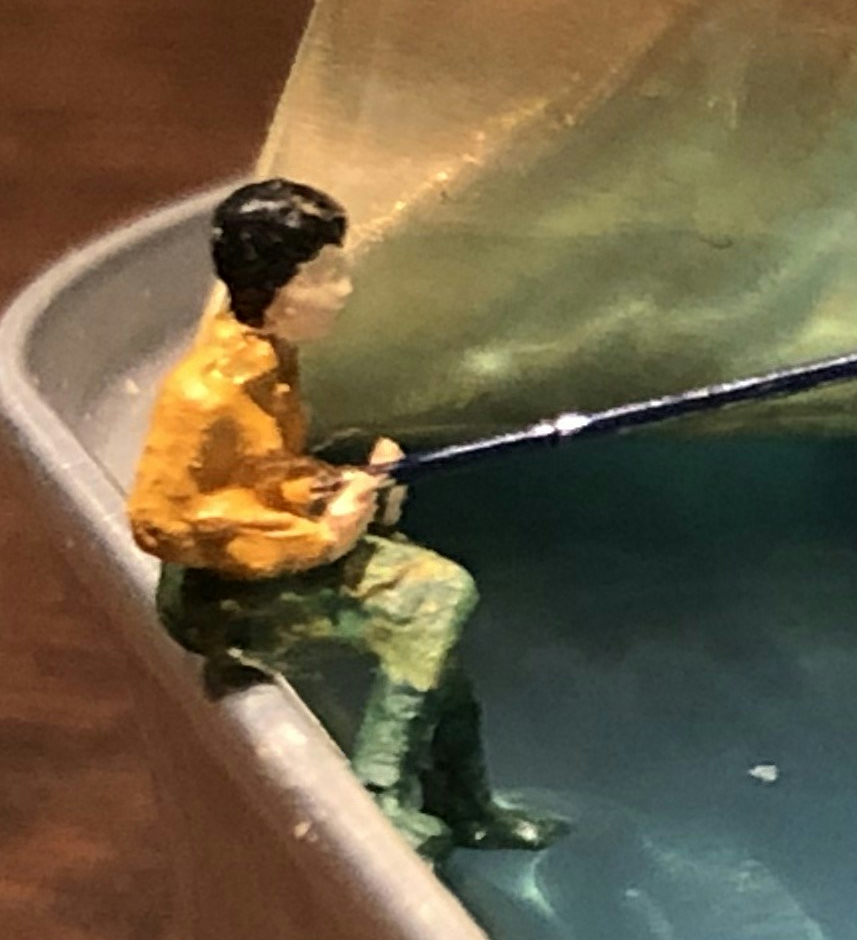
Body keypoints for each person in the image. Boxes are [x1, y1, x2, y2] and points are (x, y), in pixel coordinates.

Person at [126, 178, 558, 856]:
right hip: (219, 599)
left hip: (263, 570)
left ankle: (463, 803)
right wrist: (320, 535)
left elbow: (260, 476)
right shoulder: (205, 393)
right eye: (325, 273)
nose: (344, 289)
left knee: (428, 637)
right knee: (437, 593)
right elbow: (162, 521)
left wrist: (340, 485)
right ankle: (378, 800)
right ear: (276, 284)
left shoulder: (268, 361)